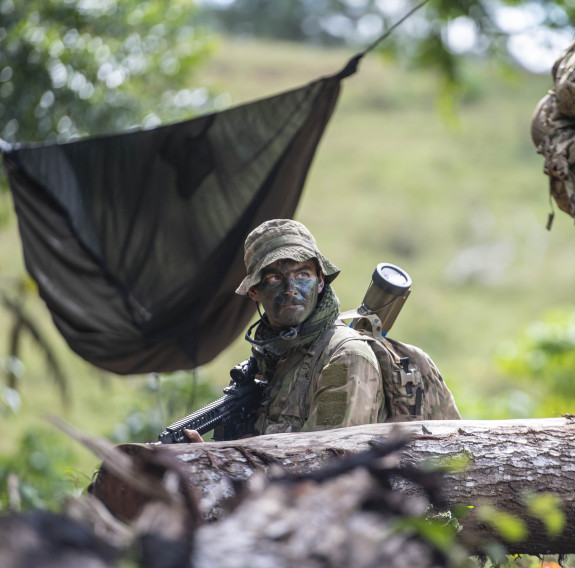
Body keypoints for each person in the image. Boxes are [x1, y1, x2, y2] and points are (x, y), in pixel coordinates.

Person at [184, 219, 460, 442]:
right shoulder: (273, 361)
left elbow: (329, 459)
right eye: (275, 278)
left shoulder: (346, 357)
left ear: (319, 281)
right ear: (255, 292)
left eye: (303, 275)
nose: (291, 288)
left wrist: (237, 455)